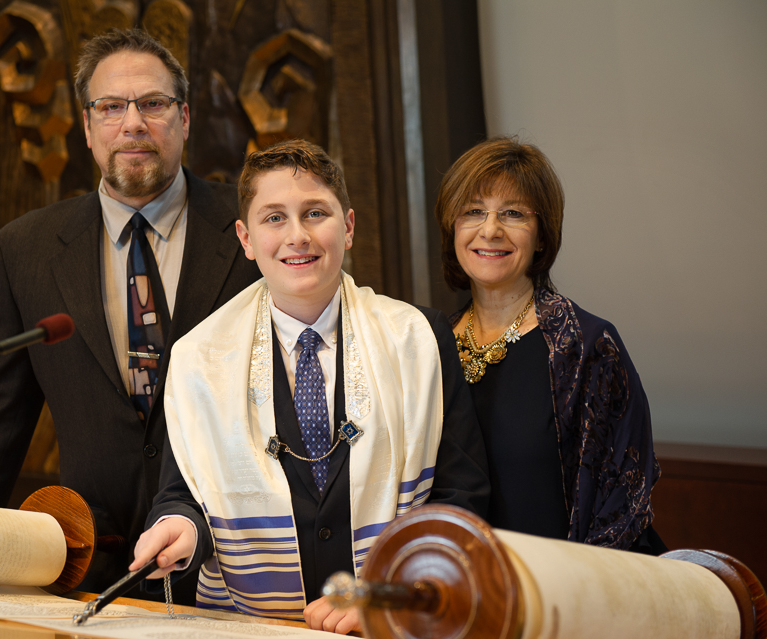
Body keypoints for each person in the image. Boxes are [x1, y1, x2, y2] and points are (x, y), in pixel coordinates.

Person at [0, 28, 261, 598]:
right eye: (111, 107)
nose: (132, 123)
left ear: (184, 119)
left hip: (231, 569)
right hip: (90, 572)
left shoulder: (255, 229)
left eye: (153, 104)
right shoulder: (25, 249)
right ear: (86, 128)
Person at [129, 139, 490, 634]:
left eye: (315, 213)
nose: (296, 235)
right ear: (246, 238)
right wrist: (181, 526)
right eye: (274, 218)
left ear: (348, 226)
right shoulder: (199, 358)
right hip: (252, 627)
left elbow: (462, 496)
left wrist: (389, 598)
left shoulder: (418, 339)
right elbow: (183, 492)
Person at [435, 136, 665, 552]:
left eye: (513, 213)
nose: (490, 229)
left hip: (566, 595)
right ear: (452, 227)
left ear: (541, 235)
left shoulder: (586, 348)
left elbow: (621, 509)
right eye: (473, 211)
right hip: (461, 593)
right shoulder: (427, 344)